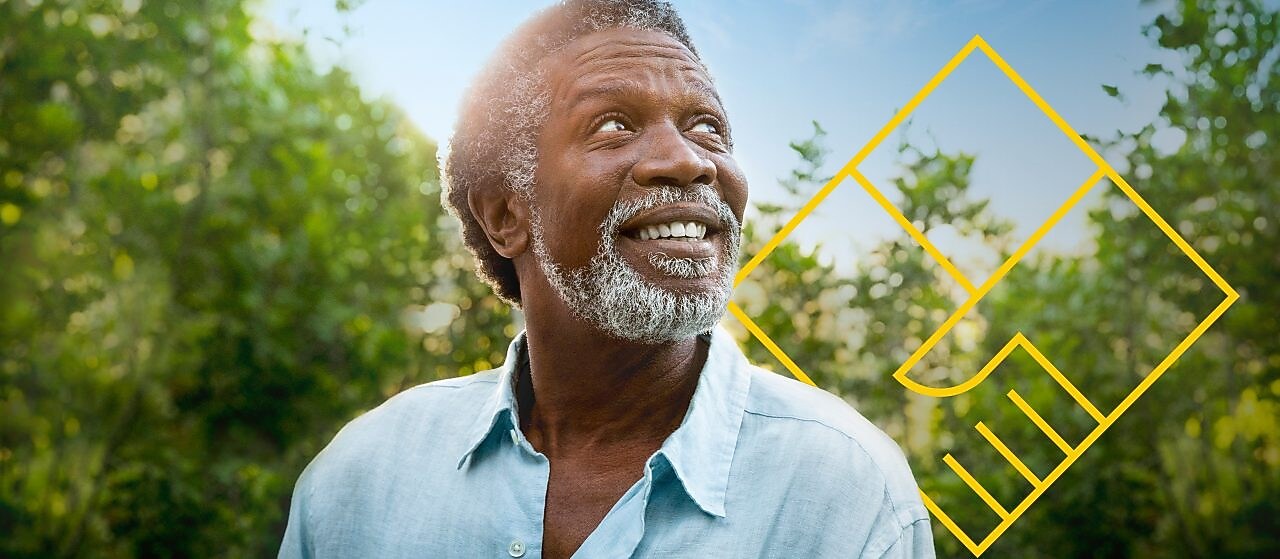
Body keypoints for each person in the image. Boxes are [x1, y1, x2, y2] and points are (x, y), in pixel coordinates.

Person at [279, 1, 934, 557]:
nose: (687, 160)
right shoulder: (358, 487)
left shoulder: (842, 492)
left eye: (706, 125)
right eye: (613, 124)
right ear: (508, 214)